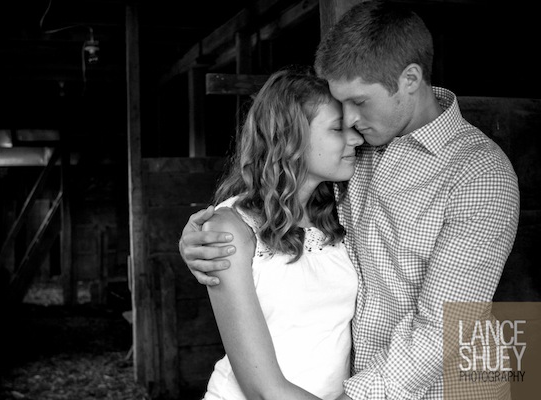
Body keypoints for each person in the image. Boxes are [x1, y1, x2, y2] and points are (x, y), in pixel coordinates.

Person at [179, 1, 520, 399]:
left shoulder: (479, 173)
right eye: (341, 112)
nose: (353, 125)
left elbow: (442, 328)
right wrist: (202, 240)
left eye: (359, 102)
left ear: (410, 79)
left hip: (437, 388)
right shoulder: (357, 154)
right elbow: (273, 209)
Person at [197, 65, 363, 400]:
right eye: (337, 129)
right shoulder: (231, 230)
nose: (356, 139)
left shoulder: (339, 214)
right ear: (290, 140)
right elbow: (263, 390)